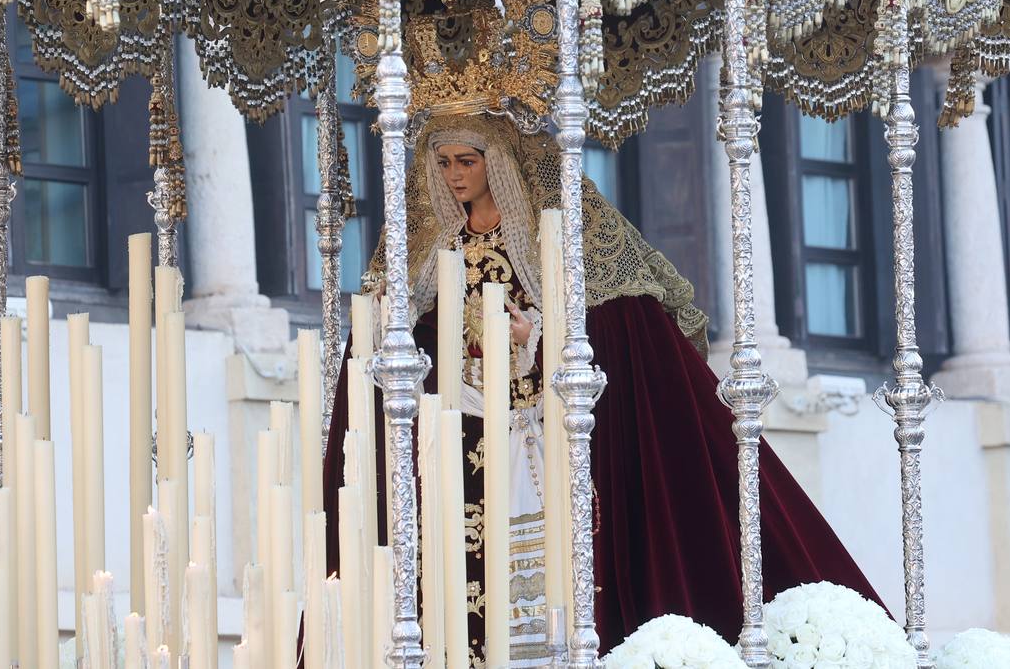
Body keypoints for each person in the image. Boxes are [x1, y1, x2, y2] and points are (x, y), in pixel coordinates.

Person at [320, 111, 882, 666]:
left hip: (548, 438)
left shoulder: (554, 237)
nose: (454, 175)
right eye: (442, 163)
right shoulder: (436, 249)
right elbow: (419, 337)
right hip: (465, 440)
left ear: (499, 162)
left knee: (561, 573)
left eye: (466, 161)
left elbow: (614, 325)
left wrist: (537, 335)